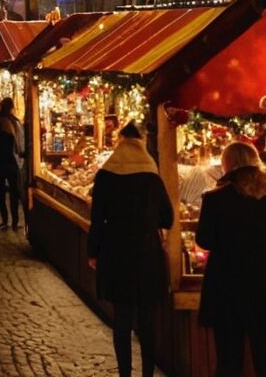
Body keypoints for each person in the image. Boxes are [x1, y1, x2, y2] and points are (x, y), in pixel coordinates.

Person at [197, 141, 266, 377]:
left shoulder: (214, 199)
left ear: (227, 165)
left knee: (228, 362)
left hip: (225, 287)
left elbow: (204, 241)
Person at [87, 121, 173, 377]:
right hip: (147, 253)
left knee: (122, 319)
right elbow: (167, 217)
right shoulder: (151, 176)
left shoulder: (105, 175)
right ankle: (147, 372)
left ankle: (125, 372)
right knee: (148, 320)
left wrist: (93, 252)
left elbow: (97, 219)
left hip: (115, 253)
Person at [0, 97, 25, 230]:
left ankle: (5, 220)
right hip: (9, 161)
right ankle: (13, 221)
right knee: (13, 192)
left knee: (1, 191)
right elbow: (18, 144)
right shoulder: (13, 123)